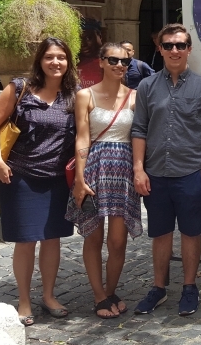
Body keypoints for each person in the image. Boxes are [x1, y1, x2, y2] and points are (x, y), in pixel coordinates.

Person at [0, 38, 78, 326]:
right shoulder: (20, 89)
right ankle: (24, 301)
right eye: (49, 57)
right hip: (20, 177)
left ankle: (48, 296)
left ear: (68, 62)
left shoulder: (73, 95)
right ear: (40, 60)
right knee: (26, 241)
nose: (55, 62)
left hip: (58, 179)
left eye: (61, 57)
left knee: (52, 240)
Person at [131, 23, 201, 316]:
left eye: (180, 45)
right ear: (160, 48)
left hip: (190, 175)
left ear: (188, 49)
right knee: (160, 234)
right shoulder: (146, 87)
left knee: (191, 233)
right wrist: (138, 169)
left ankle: (189, 288)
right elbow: (139, 129)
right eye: (168, 45)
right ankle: (158, 288)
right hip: (155, 174)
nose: (174, 50)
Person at [65, 43, 142, 319]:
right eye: (113, 60)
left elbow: (139, 137)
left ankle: (110, 290)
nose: (119, 66)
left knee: (118, 241)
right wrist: (80, 179)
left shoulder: (135, 96)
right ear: (101, 62)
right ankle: (99, 296)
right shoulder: (85, 95)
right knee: (93, 235)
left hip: (123, 172)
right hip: (95, 168)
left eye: (124, 62)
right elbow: (82, 137)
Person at [78, 19, 104, 87]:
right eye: (79, 40)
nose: (83, 44)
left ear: (100, 37)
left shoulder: (110, 62)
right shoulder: (71, 64)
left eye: (88, 38)